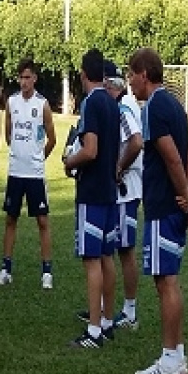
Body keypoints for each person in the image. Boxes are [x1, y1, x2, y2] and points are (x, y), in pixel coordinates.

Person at [127, 47, 188, 374]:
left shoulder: (155, 107)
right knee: (168, 279)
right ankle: (178, 356)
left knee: (165, 282)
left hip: (162, 208)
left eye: (132, 74)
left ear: (144, 74)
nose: (130, 81)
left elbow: (173, 159)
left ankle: (170, 360)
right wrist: (187, 196)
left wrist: (187, 203)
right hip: (173, 207)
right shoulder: (174, 105)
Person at [63, 49, 121, 349]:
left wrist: (69, 162)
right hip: (110, 190)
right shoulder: (112, 102)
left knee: (91, 260)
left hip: (92, 192)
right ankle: (108, 320)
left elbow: (90, 150)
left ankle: (94, 330)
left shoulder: (90, 103)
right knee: (107, 257)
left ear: (83, 74)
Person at [0, 58, 56, 289]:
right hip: (15, 172)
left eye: (27, 77)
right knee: (11, 219)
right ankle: (6, 269)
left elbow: (52, 139)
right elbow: (8, 134)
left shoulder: (42, 105)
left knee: (42, 221)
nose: (24, 82)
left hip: (35, 174)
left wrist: (38, 158)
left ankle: (47, 272)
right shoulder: (11, 102)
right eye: (21, 77)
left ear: (35, 79)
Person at [105, 61, 144, 329]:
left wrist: (119, 167)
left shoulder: (123, 107)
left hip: (127, 189)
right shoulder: (124, 104)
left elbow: (136, 141)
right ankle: (106, 308)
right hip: (124, 188)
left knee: (125, 250)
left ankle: (129, 312)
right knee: (115, 248)